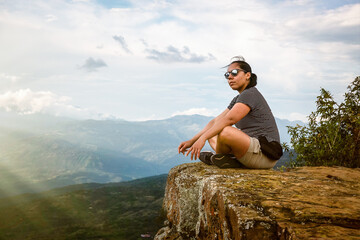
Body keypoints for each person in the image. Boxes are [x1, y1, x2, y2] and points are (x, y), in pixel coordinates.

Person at [177, 56, 282, 169]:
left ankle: (218, 157)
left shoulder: (250, 94)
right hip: (251, 150)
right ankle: (229, 160)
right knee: (212, 132)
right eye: (227, 75)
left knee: (225, 130)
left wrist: (202, 139)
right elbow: (215, 122)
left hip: (264, 153)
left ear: (248, 75)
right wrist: (192, 141)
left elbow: (230, 119)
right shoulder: (238, 98)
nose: (230, 77)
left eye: (235, 73)